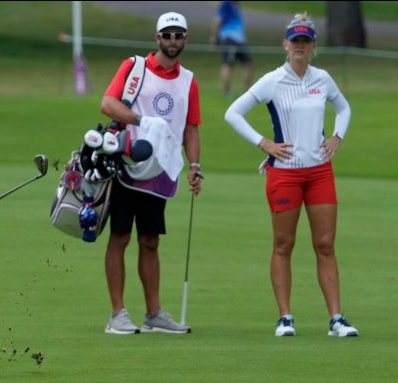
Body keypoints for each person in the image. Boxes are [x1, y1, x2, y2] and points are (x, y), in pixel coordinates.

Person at [223, 13, 359, 338]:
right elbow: (233, 113)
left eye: (305, 41)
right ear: (285, 44)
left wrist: (337, 136)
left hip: (320, 172)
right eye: (295, 41)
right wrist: (264, 143)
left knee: (325, 244)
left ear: (313, 46)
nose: (300, 47)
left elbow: (344, 108)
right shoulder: (272, 80)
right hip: (284, 174)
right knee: (284, 245)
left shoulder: (322, 79)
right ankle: (285, 317)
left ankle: (336, 319)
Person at [99, 12, 202, 335]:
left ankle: (154, 313)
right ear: (157, 38)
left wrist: (195, 166)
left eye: (178, 35)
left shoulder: (189, 80)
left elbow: (191, 128)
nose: (173, 41)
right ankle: (117, 313)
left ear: (185, 39)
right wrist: (141, 122)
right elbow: (107, 104)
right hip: (127, 164)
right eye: (167, 35)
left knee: (150, 240)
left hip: (160, 171)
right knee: (120, 236)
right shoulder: (135, 67)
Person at [212, 1, 254, 97]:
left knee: (248, 64)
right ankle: (227, 92)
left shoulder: (236, 5)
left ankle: (246, 92)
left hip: (239, 40)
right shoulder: (226, 4)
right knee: (228, 65)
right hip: (229, 38)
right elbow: (218, 20)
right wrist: (215, 37)